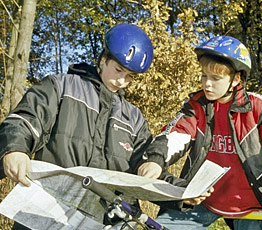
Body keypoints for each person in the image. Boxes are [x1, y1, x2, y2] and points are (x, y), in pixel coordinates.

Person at [141, 35, 262, 230]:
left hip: (249, 205)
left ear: (235, 79)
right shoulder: (196, 106)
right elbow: (175, 135)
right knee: (154, 227)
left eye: (216, 78)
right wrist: (155, 159)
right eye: (204, 75)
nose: (207, 84)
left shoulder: (258, 106)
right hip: (201, 200)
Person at [0, 23, 161, 229]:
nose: (122, 81)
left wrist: (184, 194)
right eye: (118, 70)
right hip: (45, 214)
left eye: (130, 76)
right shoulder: (61, 86)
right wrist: (15, 149)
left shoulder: (134, 117)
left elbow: (150, 162)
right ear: (103, 60)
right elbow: (23, 120)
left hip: (103, 222)